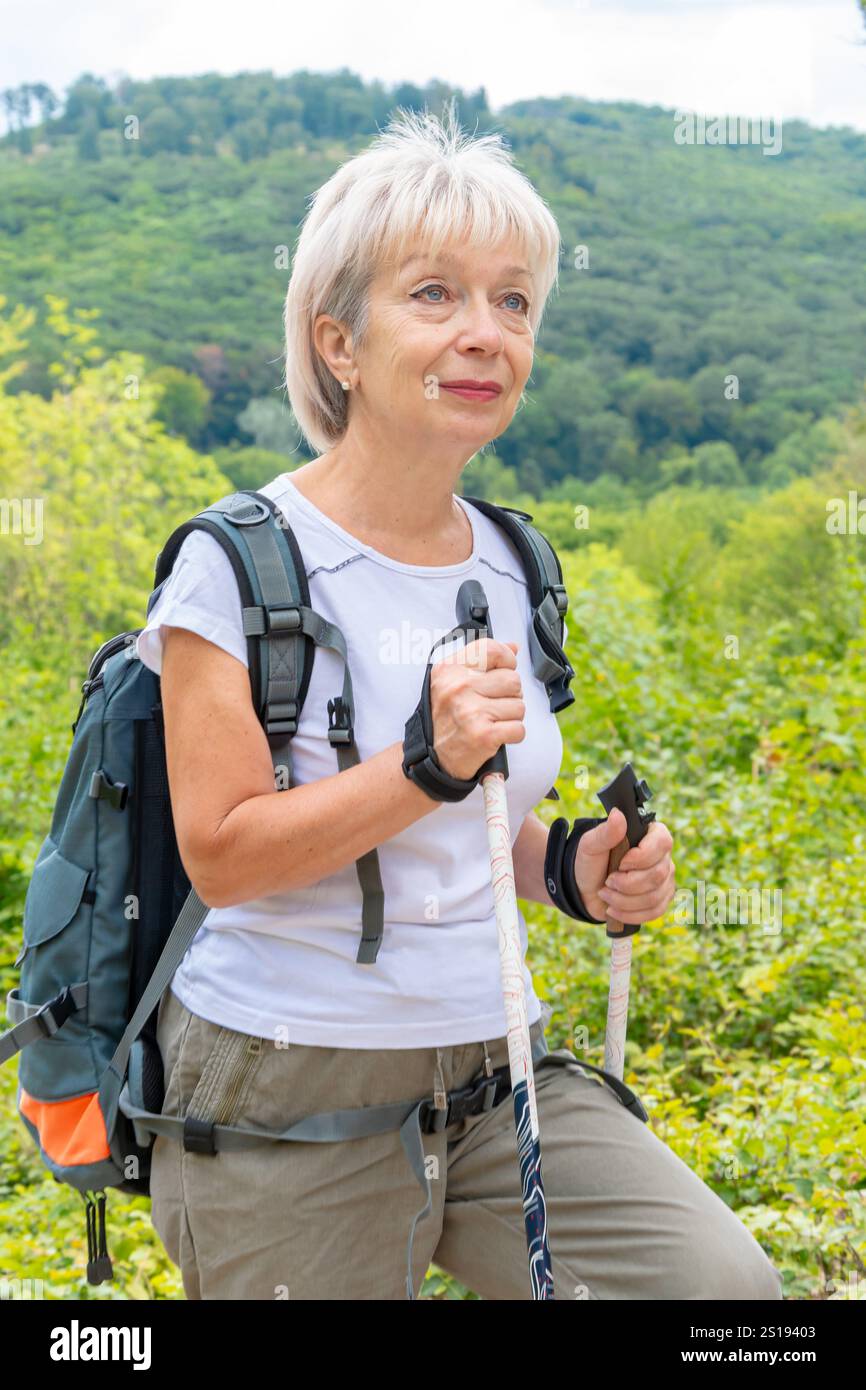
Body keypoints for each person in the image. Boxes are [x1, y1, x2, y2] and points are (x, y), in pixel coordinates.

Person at [140, 104, 783, 1301]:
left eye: (513, 300)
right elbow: (222, 856)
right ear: (339, 341)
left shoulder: (513, 560)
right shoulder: (235, 566)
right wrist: (420, 761)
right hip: (287, 1096)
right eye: (433, 294)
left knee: (719, 1297)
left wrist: (573, 871)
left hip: (497, 1076)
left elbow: (477, 826)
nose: (484, 333)